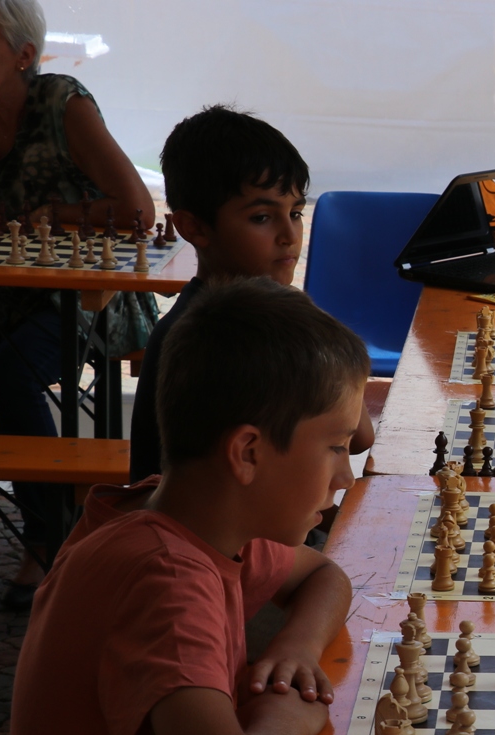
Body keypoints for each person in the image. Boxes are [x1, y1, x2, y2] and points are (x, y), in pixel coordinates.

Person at [11, 278, 367, 735]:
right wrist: (283, 719)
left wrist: (297, 646)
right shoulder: (166, 582)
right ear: (248, 453)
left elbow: (326, 576)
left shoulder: (192, 522)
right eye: (334, 447)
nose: (344, 475)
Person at [0, 0, 157, 608]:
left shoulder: (62, 103)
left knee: (10, 375)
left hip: (87, 297)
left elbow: (138, 211)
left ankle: (47, 539)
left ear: (24, 56)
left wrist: (59, 214)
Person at [129, 105, 375, 484]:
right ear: (194, 227)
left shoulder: (212, 320)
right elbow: (360, 437)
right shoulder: (224, 334)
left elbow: (355, 437)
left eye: (295, 213)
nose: (289, 236)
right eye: (261, 217)